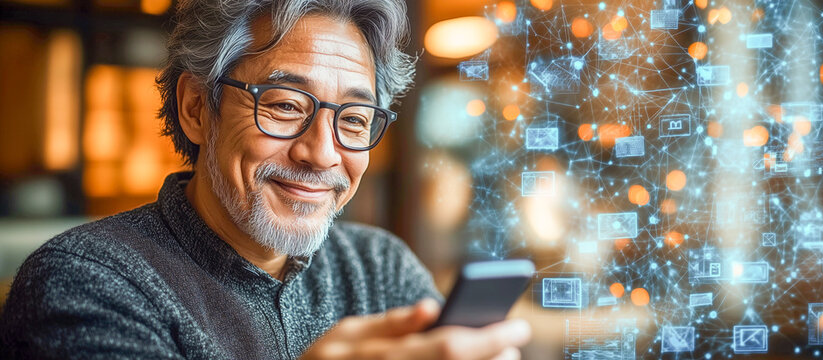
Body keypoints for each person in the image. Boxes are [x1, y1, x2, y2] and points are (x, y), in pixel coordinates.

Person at [0, 0, 531, 358]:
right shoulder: (87, 281)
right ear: (195, 108)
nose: (322, 154)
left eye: (353, 119)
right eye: (284, 105)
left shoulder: (380, 269)